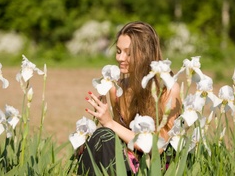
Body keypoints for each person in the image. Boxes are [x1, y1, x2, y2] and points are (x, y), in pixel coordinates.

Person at [77, 21, 181, 175]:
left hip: (153, 167)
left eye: (128, 53)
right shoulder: (117, 89)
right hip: (127, 161)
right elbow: (117, 139)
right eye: (118, 51)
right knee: (101, 136)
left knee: (104, 134)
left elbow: (158, 147)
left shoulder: (168, 89)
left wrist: (109, 123)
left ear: (146, 53)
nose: (120, 58)